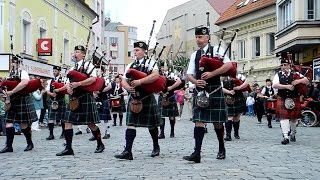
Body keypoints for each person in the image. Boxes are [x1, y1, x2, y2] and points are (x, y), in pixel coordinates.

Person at [183, 27, 233, 163]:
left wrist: (213, 74)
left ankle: (221, 148)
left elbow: (229, 65)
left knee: (217, 123)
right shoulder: (195, 54)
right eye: (197, 37)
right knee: (198, 122)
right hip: (200, 92)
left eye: (200, 37)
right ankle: (196, 153)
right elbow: (189, 74)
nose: (198, 40)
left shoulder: (217, 50)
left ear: (207, 37)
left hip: (215, 90)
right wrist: (195, 81)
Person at [114, 41, 162, 160]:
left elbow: (155, 76)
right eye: (134, 50)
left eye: (138, 50)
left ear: (144, 51)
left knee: (152, 125)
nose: (135, 52)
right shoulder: (130, 65)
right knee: (131, 124)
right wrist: (128, 88)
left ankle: (156, 146)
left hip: (147, 97)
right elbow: (124, 80)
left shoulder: (151, 63)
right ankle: (127, 151)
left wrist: (140, 81)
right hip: (134, 97)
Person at [54, 45, 104, 156]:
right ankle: (68, 148)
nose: (75, 54)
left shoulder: (88, 65)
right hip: (74, 98)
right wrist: (68, 89)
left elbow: (93, 79)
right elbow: (68, 83)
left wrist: (79, 83)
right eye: (74, 52)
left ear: (83, 54)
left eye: (77, 52)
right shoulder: (72, 68)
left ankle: (100, 143)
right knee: (67, 121)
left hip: (85, 96)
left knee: (90, 123)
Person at [0, 55, 38, 153]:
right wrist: (7, 98)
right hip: (12, 100)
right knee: (9, 122)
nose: (14, 64)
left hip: (22, 100)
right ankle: (9, 146)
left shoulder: (23, 72)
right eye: (13, 62)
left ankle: (29, 143)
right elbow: (6, 88)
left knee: (23, 125)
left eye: (16, 62)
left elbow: (25, 83)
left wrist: (12, 91)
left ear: (20, 63)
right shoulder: (9, 75)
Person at [272, 58, 309, 144]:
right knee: (283, 118)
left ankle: (293, 133)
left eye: (285, 65)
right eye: (282, 65)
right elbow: (275, 85)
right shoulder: (278, 75)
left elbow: (306, 81)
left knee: (294, 119)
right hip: (282, 98)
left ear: (289, 65)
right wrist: (287, 86)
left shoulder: (295, 74)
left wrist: (298, 81)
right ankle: (286, 136)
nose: (283, 67)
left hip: (294, 98)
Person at [158, 63, 182, 139]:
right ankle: (162, 133)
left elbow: (179, 81)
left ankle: (172, 132)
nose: (163, 68)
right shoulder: (157, 75)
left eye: (164, 67)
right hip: (162, 96)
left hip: (170, 96)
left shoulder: (172, 74)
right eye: (161, 67)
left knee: (171, 116)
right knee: (161, 116)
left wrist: (171, 88)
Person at [222, 74, 248, 141]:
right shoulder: (222, 77)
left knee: (236, 117)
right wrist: (229, 92)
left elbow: (246, 82)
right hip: (228, 97)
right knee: (229, 116)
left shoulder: (239, 75)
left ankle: (236, 133)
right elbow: (220, 87)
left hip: (238, 97)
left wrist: (239, 87)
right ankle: (228, 135)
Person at [45, 66, 66, 140]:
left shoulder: (63, 80)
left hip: (61, 100)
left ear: (59, 72)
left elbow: (66, 88)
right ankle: (51, 134)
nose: (54, 72)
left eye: (55, 71)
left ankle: (63, 133)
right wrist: (51, 94)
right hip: (52, 101)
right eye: (53, 71)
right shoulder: (49, 81)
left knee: (63, 118)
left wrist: (59, 90)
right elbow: (46, 90)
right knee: (51, 118)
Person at [92, 66, 112, 140]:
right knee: (95, 117)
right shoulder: (94, 78)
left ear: (103, 71)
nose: (97, 72)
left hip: (103, 99)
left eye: (99, 70)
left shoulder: (105, 78)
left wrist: (100, 92)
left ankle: (107, 133)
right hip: (96, 99)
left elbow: (109, 86)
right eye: (96, 70)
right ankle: (96, 134)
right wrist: (94, 93)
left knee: (105, 118)